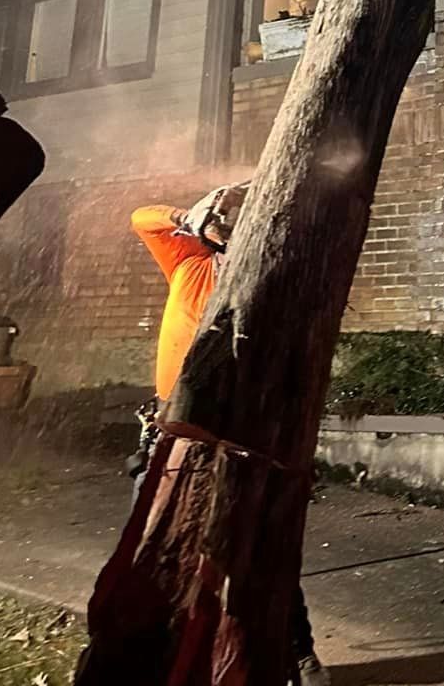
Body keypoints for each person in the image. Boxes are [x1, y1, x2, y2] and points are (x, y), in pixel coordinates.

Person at [130, 185, 328, 686]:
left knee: (259, 544)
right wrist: (189, 216)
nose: (228, 223)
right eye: (222, 217)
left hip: (239, 431)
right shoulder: (188, 262)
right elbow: (142, 218)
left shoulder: (268, 280)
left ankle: (296, 652)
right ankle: (158, 653)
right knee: (155, 543)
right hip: (172, 427)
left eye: (235, 217)